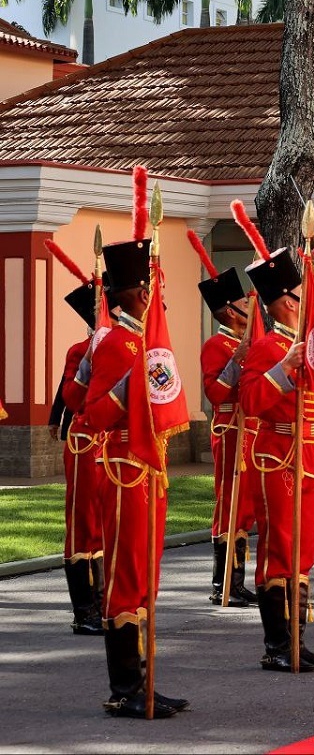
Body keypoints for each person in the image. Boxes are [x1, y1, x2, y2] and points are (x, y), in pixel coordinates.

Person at [85, 229, 187, 717]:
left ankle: (144, 680)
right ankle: (125, 686)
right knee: (126, 578)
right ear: (131, 292)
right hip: (125, 470)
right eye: (146, 287)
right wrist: (130, 385)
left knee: (147, 578)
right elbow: (92, 415)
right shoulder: (114, 345)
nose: (153, 295)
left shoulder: (142, 343)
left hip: (151, 471)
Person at [238, 240, 314, 672]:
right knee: (280, 549)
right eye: (295, 298)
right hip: (280, 456)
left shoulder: (309, 344)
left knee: (303, 552)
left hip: (313, 454)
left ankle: (297, 637)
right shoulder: (267, 348)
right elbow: (250, 402)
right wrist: (284, 370)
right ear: (279, 304)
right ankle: (277, 644)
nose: (301, 304)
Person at [49, 253, 105, 635]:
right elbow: (71, 396)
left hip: (114, 446)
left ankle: (103, 600)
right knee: (83, 523)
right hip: (86, 443)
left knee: (103, 523)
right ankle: (84, 609)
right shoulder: (78, 351)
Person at [195, 262, 256, 607]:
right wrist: (237, 361)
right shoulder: (216, 345)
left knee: (245, 507)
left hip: (252, 431)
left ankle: (238, 580)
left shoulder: (249, 341)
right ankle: (224, 584)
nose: (251, 311)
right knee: (230, 504)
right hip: (231, 429)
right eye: (245, 306)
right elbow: (215, 394)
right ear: (230, 312)